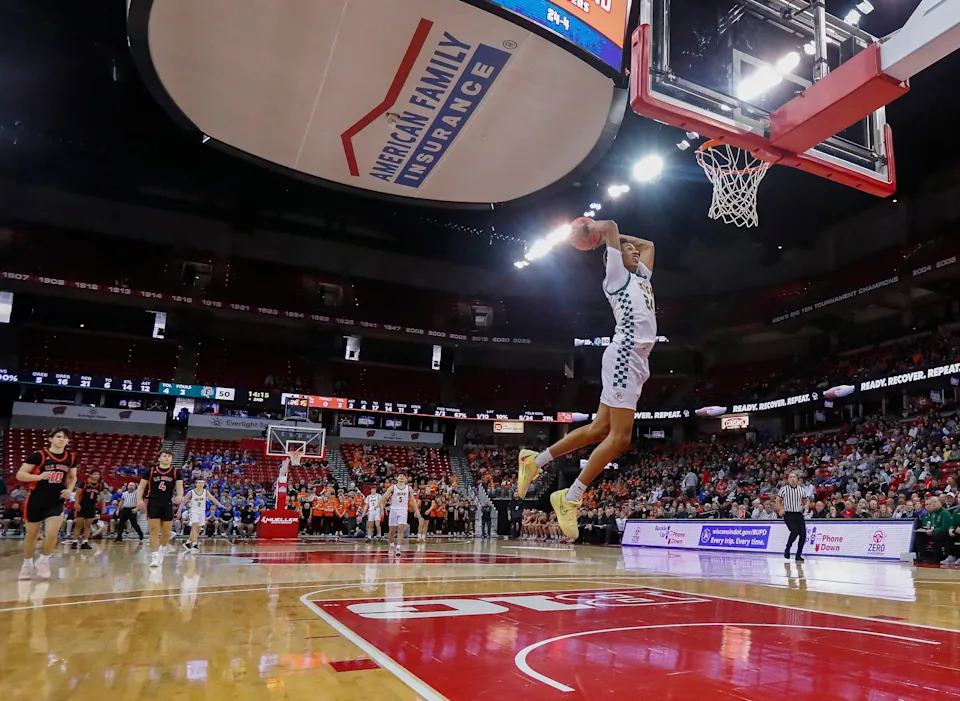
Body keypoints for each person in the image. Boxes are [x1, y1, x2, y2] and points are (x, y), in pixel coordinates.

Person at [517, 218, 656, 540]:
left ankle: (534, 460)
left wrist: (622, 239)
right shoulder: (616, 277)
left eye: (632, 248)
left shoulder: (642, 277)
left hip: (637, 359)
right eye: (627, 249)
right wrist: (599, 231)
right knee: (620, 438)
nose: (635, 251)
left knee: (598, 430)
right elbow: (611, 225)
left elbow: (650, 245)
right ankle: (571, 497)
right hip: (624, 355)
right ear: (614, 258)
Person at [16, 427, 78, 580]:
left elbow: (73, 477)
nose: (62, 439)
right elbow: (20, 475)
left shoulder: (71, 457)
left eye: (65, 437)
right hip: (36, 498)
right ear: (50, 439)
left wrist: (70, 489)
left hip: (56, 500)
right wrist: (39, 477)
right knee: (32, 535)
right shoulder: (39, 455)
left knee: (52, 533)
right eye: (58, 436)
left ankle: (44, 561)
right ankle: (27, 563)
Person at [137, 448, 184, 568]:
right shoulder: (150, 471)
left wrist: (179, 496)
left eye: (169, 456)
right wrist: (139, 500)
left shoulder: (176, 472)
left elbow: (179, 487)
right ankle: (155, 556)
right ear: (159, 458)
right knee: (154, 531)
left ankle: (162, 551)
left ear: (172, 459)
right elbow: (141, 488)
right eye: (164, 456)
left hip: (167, 503)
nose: (167, 458)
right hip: (153, 502)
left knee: (167, 533)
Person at [177, 478, 224, 550]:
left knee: (198, 529)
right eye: (199, 483)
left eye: (202, 483)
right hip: (193, 511)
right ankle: (195, 544)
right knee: (195, 527)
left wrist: (219, 504)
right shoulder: (191, 492)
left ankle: (188, 542)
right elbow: (183, 501)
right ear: (196, 484)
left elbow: (212, 498)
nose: (201, 484)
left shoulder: (206, 492)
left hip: (202, 511)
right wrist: (179, 511)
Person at [380, 474, 419, 556]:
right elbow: (384, 496)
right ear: (396, 478)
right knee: (392, 531)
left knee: (401, 529)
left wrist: (417, 511)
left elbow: (412, 500)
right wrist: (379, 503)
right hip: (393, 510)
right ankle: (391, 546)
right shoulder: (392, 487)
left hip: (403, 510)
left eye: (403, 476)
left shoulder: (409, 488)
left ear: (406, 479)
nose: (401, 477)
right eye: (400, 476)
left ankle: (398, 548)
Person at [777, 472, 809, 562]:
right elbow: (778, 500)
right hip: (788, 514)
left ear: (797, 479)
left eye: (794, 477)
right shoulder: (784, 489)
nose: (792, 479)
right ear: (788, 480)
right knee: (794, 531)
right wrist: (780, 509)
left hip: (798, 514)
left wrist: (806, 505)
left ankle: (798, 555)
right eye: (790, 477)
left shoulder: (801, 489)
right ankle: (787, 548)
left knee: (803, 535)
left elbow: (807, 499)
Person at [71, 468, 102, 550]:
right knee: (78, 525)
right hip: (82, 506)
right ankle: (75, 542)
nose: (96, 476)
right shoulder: (83, 483)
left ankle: (85, 542)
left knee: (88, 525)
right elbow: (77, 494)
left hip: (92, 506)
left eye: (98, 474)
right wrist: (76, 503)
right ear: (90, 475)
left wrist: (103, 506)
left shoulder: (100, 485)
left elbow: (101, 497)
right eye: (94, 474)